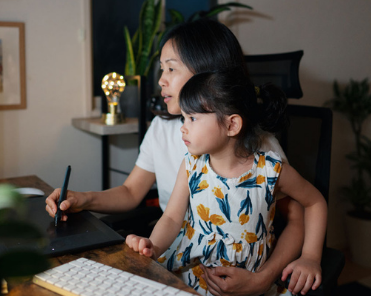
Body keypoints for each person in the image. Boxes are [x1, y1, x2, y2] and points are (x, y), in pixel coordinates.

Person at [47, 19, 306, 295]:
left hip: (244, 274)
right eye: (162, 69)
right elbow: (131, 191)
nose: (161, 79)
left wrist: (263, 279)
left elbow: (297, 217)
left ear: (208, 75)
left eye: (171, 68)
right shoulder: (162, 128)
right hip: (178, 264)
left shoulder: (259, 145)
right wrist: (83, 199)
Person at [125, 70, 328, 296]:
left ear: (232, 125)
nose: (183, 127)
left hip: (252, 286)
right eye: (183, 118)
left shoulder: (271, 171)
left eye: (192, 118)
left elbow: (315, 202)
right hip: (192, 279)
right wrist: (153, 247)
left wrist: (310, 257)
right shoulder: (191, 165)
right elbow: (172, 218)